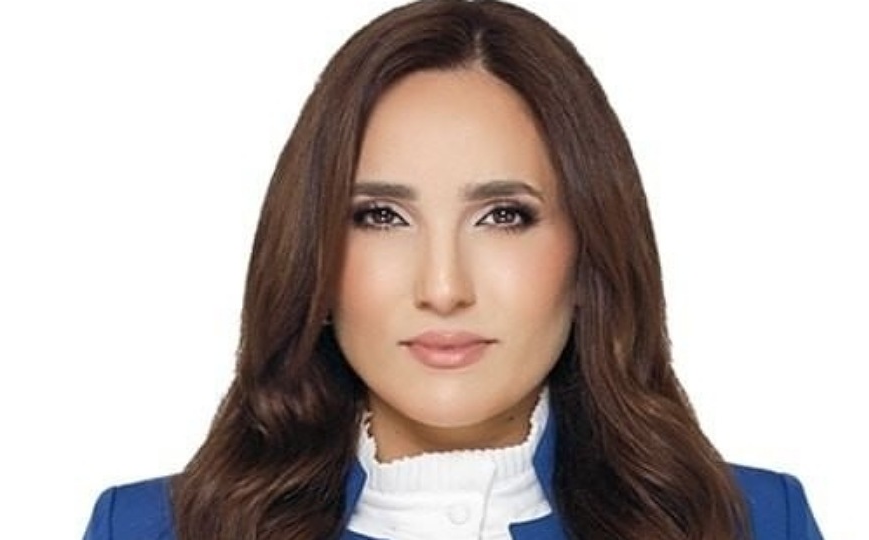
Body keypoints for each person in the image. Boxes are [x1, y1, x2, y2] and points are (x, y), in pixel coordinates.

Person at [83, 1, 823, 539]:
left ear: (590, 252)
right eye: (381, 216)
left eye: (504, 216)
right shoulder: (151, 528)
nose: (443, 288)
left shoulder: (751, 522)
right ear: (314, 256)